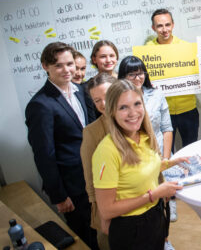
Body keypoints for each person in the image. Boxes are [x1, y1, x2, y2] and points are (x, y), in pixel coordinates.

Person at [92, 79, 188, 249]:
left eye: (137, 104)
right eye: (123, 107)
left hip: (155, 217)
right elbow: (106, 210)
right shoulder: (107, 151)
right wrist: (154, 194)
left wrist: (171, 163)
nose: (133, 113)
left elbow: (139, 171)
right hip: (131, 229)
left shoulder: (144, 136)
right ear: (112, 112)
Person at [25, 42, 98, 249]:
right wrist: (59, 195)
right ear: (45, 66)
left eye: (70, 64)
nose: (67, 70)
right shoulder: (40, 105)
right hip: (72, 186)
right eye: (58, 65)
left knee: (100, 230)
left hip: (95, 176)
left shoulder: (80, 91)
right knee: (85, 235)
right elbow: (44, 154)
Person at [146, 8, 199, 152]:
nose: (164, 29)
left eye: (167, 25)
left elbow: (196, 74)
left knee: (191, 148)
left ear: (173, 25)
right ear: (153, 28)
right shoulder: (147, 50)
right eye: (160, 26)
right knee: (165, 152)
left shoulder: (186, 47)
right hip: (161, 110)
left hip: (188, 108)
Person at [80, 73, 117, 248]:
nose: (103, 103)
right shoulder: (91, 132)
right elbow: (90, 178)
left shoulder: (137, 120)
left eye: (107, 95)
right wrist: (102, 215)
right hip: (112, 208)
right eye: (97, 100)